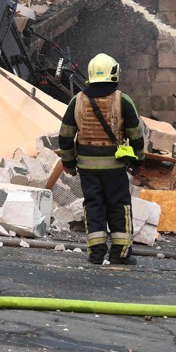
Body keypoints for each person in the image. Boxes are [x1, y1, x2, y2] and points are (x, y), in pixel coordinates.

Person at [58, 53, 145, 266]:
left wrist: (68, 163)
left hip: (87, 167)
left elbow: (65, 135)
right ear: (114, 73)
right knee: (119, 206)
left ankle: (96, 252)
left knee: (94, 206)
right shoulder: (123, 100)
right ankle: (121, 253)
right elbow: (136, 134)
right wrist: (138, 161)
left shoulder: (76, 101)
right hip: (115, 167)